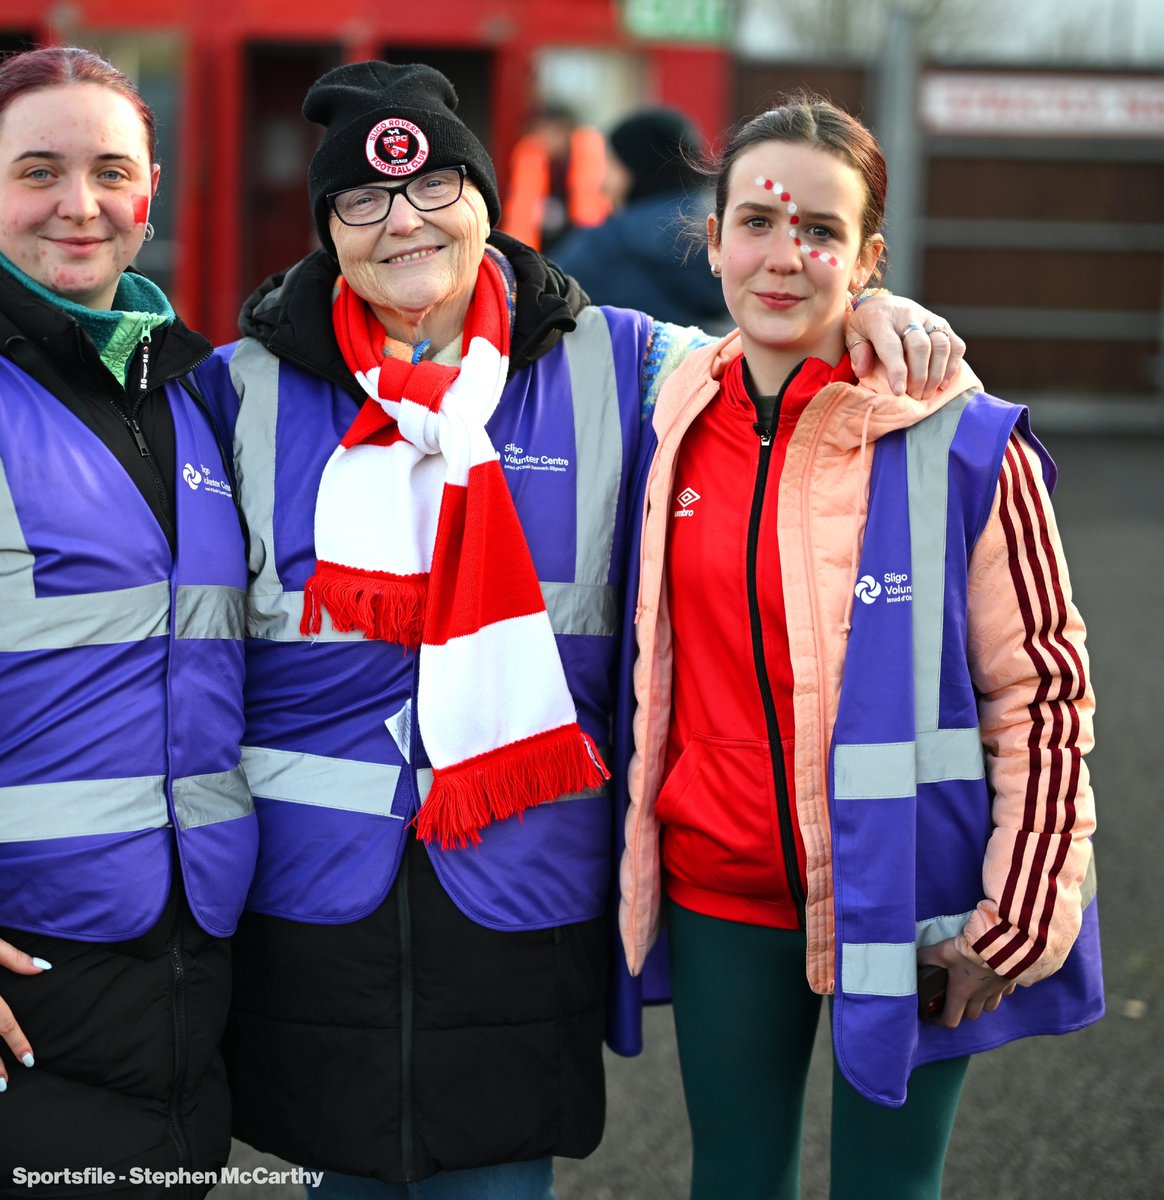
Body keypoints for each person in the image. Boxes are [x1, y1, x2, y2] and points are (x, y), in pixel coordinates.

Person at [195, 60, 967, 1199]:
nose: (402, 222)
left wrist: (871, 313)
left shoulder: (625, 361)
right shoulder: (241, 387)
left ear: (483, 200)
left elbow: (771, 350)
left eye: (433, 187)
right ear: (328, 233)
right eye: (361, 201)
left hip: (522, 893)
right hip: (318, 910)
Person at [617, 92, 1105, 1199]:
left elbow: (1045, 690)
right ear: (713, 240)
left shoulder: (970, 443)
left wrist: (1021, 914)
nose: (784, 257)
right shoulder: (666, 410)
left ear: (868, 257)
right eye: (758, 222)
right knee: (734, 1180)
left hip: (914, 900)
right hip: (722, 892)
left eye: (821, 231)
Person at [0, 46, 256, 1187]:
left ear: (150, 194)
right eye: (36, 171)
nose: (79, 204)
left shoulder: (195, 394)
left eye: (111, 170)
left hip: (183, 980)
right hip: (30, 975)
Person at [554, 105, 728, 332]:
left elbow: (542, 294)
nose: (603, 183)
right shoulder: (731, 229)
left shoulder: (606, 244)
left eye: (612, 165)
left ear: (636, 168)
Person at [499, 103, 609, 254]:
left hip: (582, 249)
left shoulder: (590, 159)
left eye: (542, 132)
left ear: (561, 129)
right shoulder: (534, 159)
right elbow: (521, 215)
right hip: (544, 253)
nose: (538, 139)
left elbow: (596, 214)